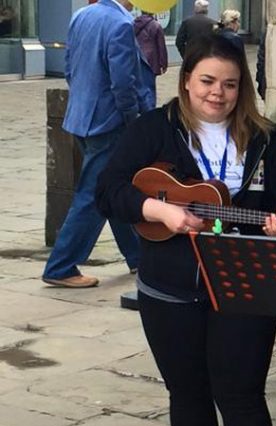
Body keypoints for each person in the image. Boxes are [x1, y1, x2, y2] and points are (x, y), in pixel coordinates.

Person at [96, 34, 276, 426]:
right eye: (208, 81)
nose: (218, 93)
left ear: (243, 89)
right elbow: (108, 189)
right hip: (170, 287)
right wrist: (160, 211)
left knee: (242, 395)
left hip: (245, 285)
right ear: (186, 81)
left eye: (230, 84)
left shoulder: (268, 140)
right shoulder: (153, 129)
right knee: (186, 391)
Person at [42, 0, 152, 288]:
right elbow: (123, 82)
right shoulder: (121, 23)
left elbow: (69, 67)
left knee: (113, 187)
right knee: (93, 194)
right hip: (109, 122)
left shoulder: (81, 15)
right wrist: (132, 119)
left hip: (81, 117)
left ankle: (139, 256)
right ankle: (61, 266)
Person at [134, 10, 168, 107]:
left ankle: (138, 105)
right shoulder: (156, 25)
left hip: (137, 57)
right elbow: (161, 46)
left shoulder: (134, 23)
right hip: (151, 60)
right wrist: (163, 64)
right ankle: (149, 109)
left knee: (138, 84)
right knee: (149, 87)